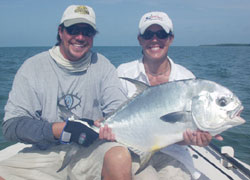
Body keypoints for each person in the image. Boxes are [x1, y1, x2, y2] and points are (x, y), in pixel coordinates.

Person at [0, 5, 132, 180]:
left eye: (87, 32)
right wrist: (59, 130)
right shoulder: (32, 67)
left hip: (92, 150)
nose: (80, 37)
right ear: (60, 31)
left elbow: (119, 109)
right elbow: (11, 126)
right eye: (73, 30)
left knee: (120, 156)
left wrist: (109, 127)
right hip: (45, 152)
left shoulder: (103, 66)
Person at [117, 11, 223, 179]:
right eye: (148, 34)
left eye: (161, 34)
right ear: (140, 39)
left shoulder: (187, 79)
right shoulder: (123, 72)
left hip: (174, 155)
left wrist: (192, 139)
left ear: (170, 38)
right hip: (132, 151)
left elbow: (178, 133)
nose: (154, 39)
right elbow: (116, 118)